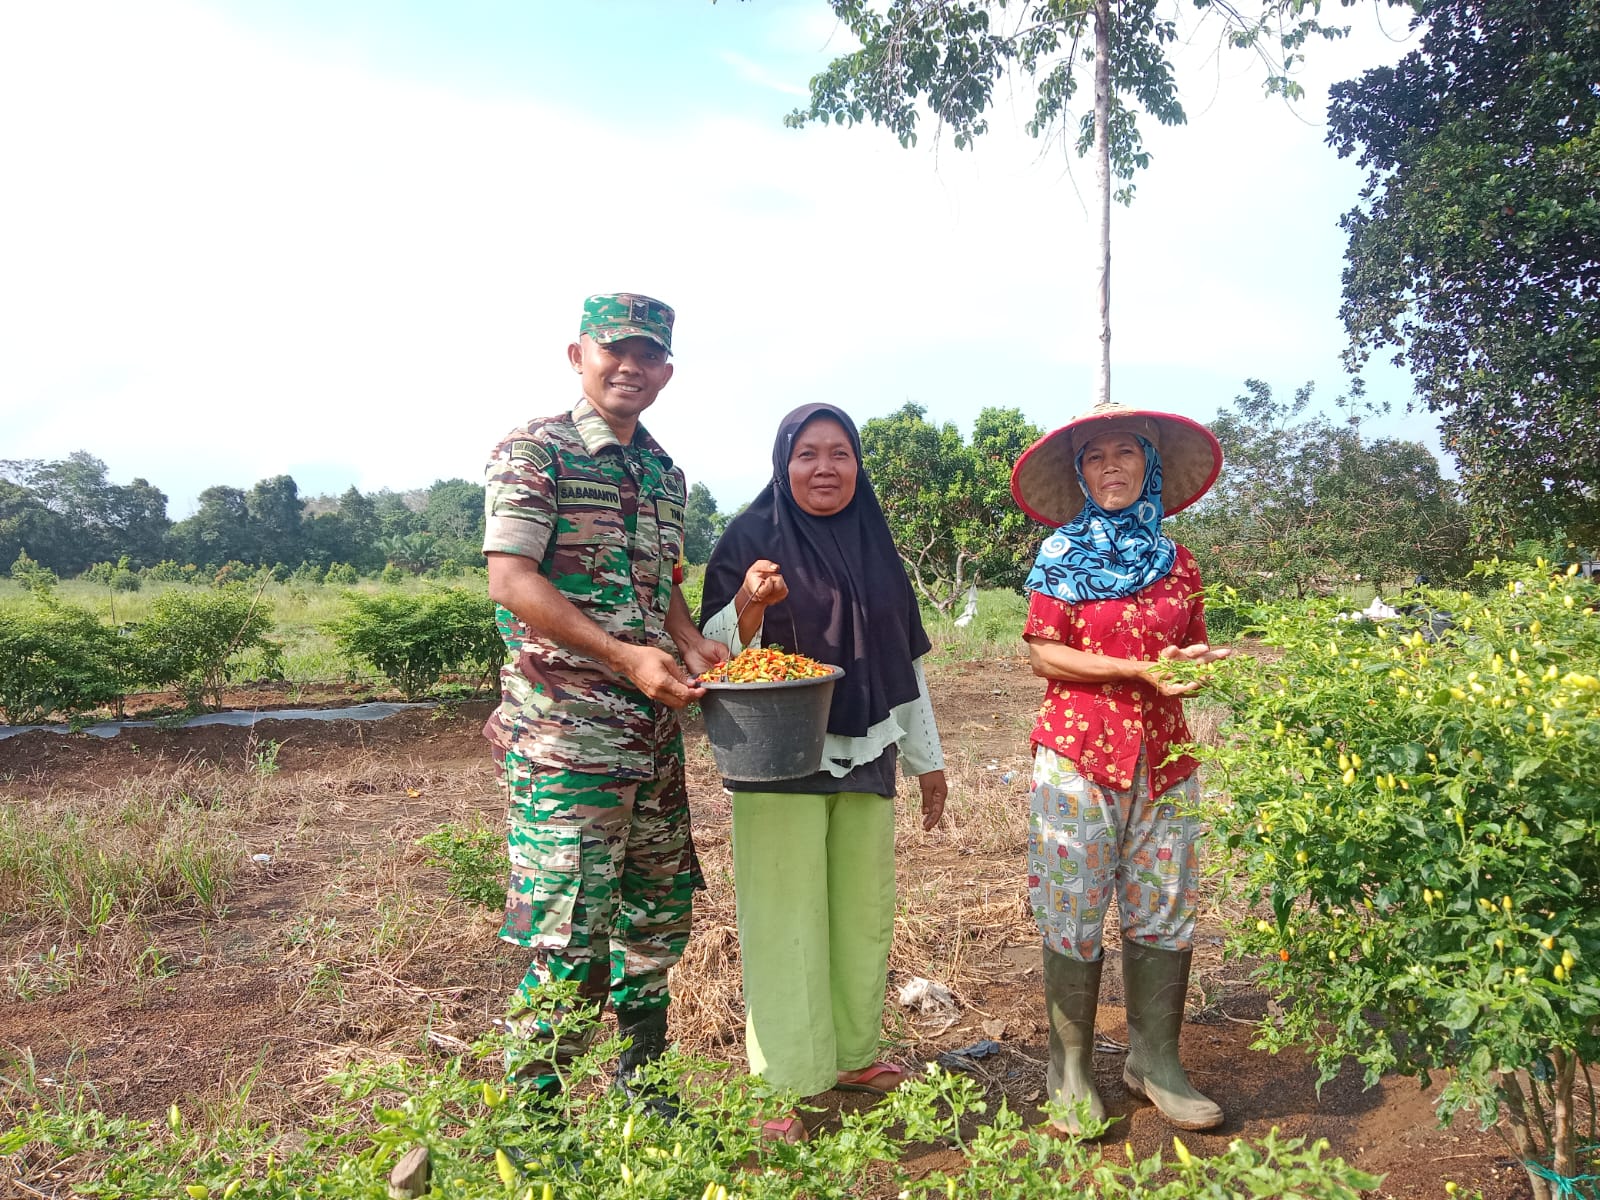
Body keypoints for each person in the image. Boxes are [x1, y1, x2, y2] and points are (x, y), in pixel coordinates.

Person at [481, 292, 728, 1111]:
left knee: (656, 920)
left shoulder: (664, 472)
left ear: (667, 368)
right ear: (577, 354)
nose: (632, 367)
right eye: (615, 349)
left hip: (651, 736)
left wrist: (690, 643)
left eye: (649, 355)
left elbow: (657, 589)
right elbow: (513, 581)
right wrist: (626, 656)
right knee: (569, 936)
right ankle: (534, 1121)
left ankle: (645, 1090)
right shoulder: (534, 453)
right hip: (568, 737)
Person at [699, 403, 948, 1143]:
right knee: (784, 919)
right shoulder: (751, 538)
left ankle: (850, 1056)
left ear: (857, 466)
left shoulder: (875, 543)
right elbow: (711, 652)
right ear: (784, 463)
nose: (825, 469)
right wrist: (749, 599)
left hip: (869, 747)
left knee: (860, 913)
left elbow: (905, 660)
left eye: (840, 454)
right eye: (808, 454)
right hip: (777, 756)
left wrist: (927, 761)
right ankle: (782, 1080)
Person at [1009, 400, 1230, 1134]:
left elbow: (1191, 650)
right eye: (1097, 457)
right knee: (1074, 909)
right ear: (1080, 472)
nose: (1112, 468)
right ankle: (1067, 1067)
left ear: (1150, 465)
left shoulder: (1179, 561)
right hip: (1079, 753)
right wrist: (1137, 672)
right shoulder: (1062, 554)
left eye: (1125, 454)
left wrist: (1193, 667)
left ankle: (1154, 1063)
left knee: (1164, 906)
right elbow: (1043, 651)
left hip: (1165, 757)